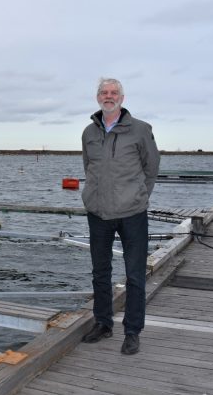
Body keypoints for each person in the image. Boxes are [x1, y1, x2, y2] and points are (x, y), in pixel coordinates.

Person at [80, 78, 160, 355]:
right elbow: (89, 167)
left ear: (122, 98)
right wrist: (92, 196)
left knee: (135, 275)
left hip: (132, 214)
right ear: (97, 97)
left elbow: (151, 168)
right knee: (100, 273)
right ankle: (103, 323)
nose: (109, 96)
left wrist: (139, 196)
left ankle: (132, 331)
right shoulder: (89, 132)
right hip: (98, 213)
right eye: (104, 92)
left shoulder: (140, 130)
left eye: (114, 92)